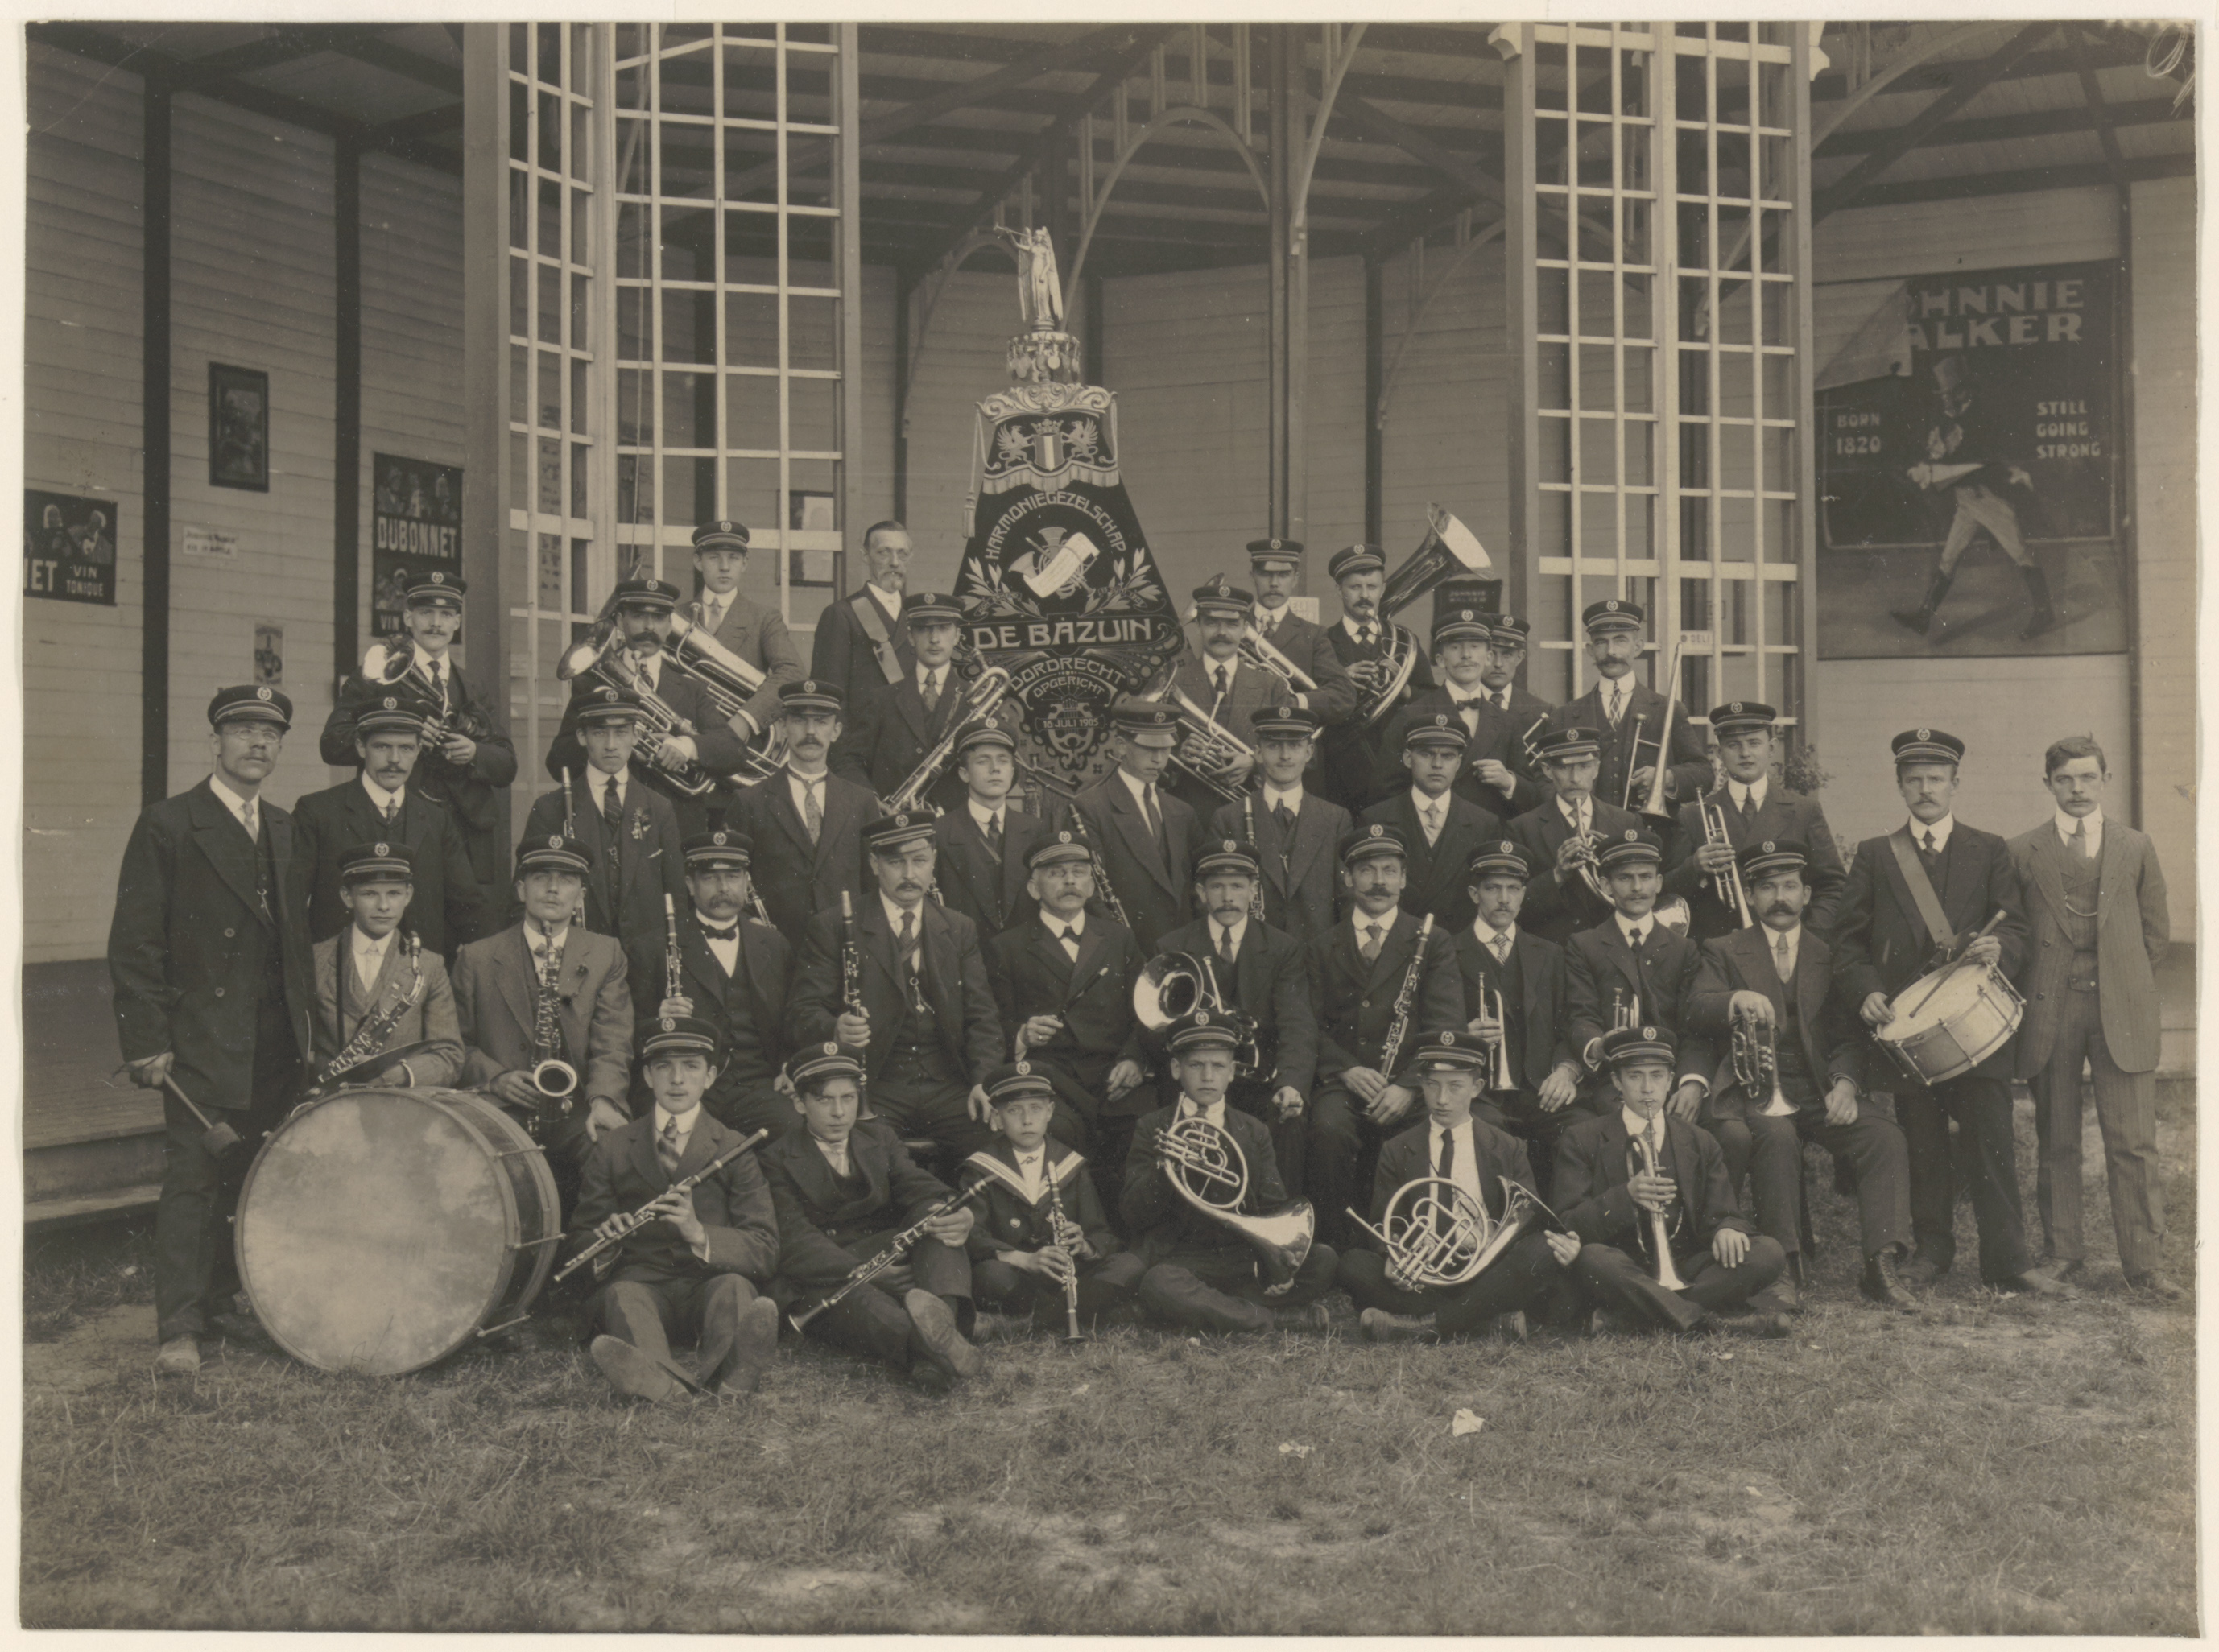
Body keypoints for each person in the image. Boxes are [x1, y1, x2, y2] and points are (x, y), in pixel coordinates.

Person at [110, 685, 317, 1374]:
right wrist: (146, 1040)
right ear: (215, 742)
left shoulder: (283, 826)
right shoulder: (170, 824)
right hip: (201, 1036)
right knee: (194, 1179)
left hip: (275, 1039)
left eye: (270, 734)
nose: (258, 743)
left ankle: (228, 1303)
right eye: (243, 730)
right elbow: (135, 943)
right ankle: (180, 1327)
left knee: (252, 1174)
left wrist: (307, 1034)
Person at [1832, 728, 2064, 1296]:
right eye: (1914, 780)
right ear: (1899, 786)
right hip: (1908, 1031)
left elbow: (2016, 926)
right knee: (1924, 1145)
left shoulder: (1989, 848)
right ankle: (1931, 1252)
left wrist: (1999, 946)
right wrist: (1865, 991)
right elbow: (1847, 942)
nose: (1925, 789)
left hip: (1974, 1025)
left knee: (1993, 1141)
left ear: (1955, 783)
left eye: (1936, 779)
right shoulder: (1876, 854)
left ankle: (2007, 1260)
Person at [1687, 840, 1915, 1312]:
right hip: (1755, 1087)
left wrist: (1846, 1084)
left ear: (1807, 895)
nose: (1780, 898)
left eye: (1790, 886)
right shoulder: (1723, 949)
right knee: (1775, 1137)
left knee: (1883, 1136)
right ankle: (1783, 1269)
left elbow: (1850, 1035)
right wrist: (1734, 1000)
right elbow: (1696, 1006)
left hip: (1819, 1085)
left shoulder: (1830, 953)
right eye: (1767, 888)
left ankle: (1881, 1265)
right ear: (1750, 896)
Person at [2007, 736, 2176, 1297]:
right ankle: (2063, 1252)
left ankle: (2145, 1264)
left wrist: (2124, 984)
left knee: (2132, 1140)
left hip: (2119, 1010)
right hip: (2051, 1010)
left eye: (2087, 777)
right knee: (2057, 1137)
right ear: (2048, 784)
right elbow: (2016, 935)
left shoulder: (2136, 846)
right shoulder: (2022, 851)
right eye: (2065, 780)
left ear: (2105, 780)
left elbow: (2155, 934)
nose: (2077, 789)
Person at [569, 1014, 782, 1404]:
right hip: (643, 1284)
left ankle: (734, 1374)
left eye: (691, 1066)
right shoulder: (613, 1146)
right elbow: (581, 1237)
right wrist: (605, 1244)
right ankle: (662, 1384)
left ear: (710, 1076)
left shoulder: (734, 1146)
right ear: (647, 1077)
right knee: (622, 1296)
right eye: (664, 1067)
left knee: (736, 1289)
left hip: (708, 1283)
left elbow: (764, 1248)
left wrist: (698, 1233)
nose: (678, 1079)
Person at [760, 1043, 983, 1394]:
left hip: (884, 1252)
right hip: (829, 1271)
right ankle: (935, 1350)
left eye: (848, 1098)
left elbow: (919, 1185)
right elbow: (795, 1239)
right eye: (824, 1100)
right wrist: (865, 1272)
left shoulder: (879, 1137)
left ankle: (943, 1328)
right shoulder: (775, 1158)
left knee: (934, 1214)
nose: (839, 1112)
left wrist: (958, 1209)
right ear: (800, 1104)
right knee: (864, 1303)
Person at [1337, 1030, 1581, 1343]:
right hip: (1426, 1273)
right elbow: (1385, 1222)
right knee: (1353, 1264)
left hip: (1489, 1269)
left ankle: (1428, 1324)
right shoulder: (1397, 1148)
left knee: (1542, 1249)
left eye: (1455, 1087)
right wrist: (1392, 1254)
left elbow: (1531, 1221)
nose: (1442, 1099)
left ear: (1476, 1088)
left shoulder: (1507, 1146)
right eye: (1432, 1085)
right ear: (1421, 1083)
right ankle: (1482, 1319)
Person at [791, 812, 1005, 1159]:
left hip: (948, 1084)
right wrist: (836, 1029)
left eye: (919, 861)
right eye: (896, 862)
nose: (909, 874)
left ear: (933, 861)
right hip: (876, 1083)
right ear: (875, 864)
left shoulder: (959, 927)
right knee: (869, 1157)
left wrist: (984, 1081)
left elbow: (982, 1016)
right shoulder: (832, 926)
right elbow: (802, 1012)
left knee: (996, 1150)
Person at [1554, 1025, 1789, 1336]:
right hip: (1623, 1264)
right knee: (1592, 1258)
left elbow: (1724, 1212)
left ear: (1670, 1080)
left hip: (1686, 1263)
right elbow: (1568, 1223)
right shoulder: (1582, 1138)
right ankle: (1711, 1322)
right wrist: (1626, 1197)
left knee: (1768, 1252)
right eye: (1635, 1076)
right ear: (1617, 1082)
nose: (1647, 1088)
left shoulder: (1700, 1140)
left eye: (1657, 1076)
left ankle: (1633, 1318)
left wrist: (1727, 1228)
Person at [1123, 1014, 1341, 1333]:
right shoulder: (1152, 1126)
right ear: (1176, 1069)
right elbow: (1133, 1213)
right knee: (1159, 1282)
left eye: (1218, 1066)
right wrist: (1166, 1168)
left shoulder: (1254, 1130)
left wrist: (1278, 1264)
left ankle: (1212, 1309)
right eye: (1196, 1065)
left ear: (1232, 1072)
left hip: (1242, 1253)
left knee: (1323, 1260)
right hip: (1185, 1256)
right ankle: (1269, 1318)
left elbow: (1272, 1205)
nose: (1208, 1076)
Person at [1305, 824, 1465, 1249]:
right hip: (1345, 1081)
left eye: (1390, 871)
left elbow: (1445, 1024)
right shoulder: (1321, 946)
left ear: (1404, 879)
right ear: (1347, 878)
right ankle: (1334, 1250)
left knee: (1424, 1134)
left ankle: (1411, 1246)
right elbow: (1308, 1026)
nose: (1379, 881)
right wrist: (1346, 1070)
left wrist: (1409, 1086)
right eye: (1367, 870)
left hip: (1410, 1080)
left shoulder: (1434, 941)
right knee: (1328, 1130)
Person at [451, 833, 634, 1203]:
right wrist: (496, 1078)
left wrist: (604, 1100)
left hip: (578, 1109)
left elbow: (613, 1041)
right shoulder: (477, 957)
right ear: (521, 890)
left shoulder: (606, 953)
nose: (553, 889)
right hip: (502, 1110)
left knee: (615, 1159)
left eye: (566, 880)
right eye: (540, 878)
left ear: (580, 896)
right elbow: (456, 1046)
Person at [321, 571, 517, 888]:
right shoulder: (375, 676)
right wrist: (401, 733)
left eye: (446, 614)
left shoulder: (472, 684)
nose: (436, 624)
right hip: (399, 826)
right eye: (426, 612)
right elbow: (332, 743)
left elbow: (506, 763)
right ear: (408, 618)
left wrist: (474, 752)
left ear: (457, 622)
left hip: (466, 834)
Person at [1149, 840, 1317, 1195]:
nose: (1228, 897)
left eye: (1238, 886)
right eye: (1217, 887)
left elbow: (1297, 1024)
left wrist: (1290, 1083)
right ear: (1201, 892)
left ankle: (1277, 1211)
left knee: (1290, 1120)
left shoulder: (1283, 947)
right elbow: (1160, 1027)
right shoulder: (1172, 946)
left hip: (1261, 1081)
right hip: (1198, 1078)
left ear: (1254, 891)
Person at [548, 576, 755, 839]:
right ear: (620, 621)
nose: (649, 627)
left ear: (669, 626)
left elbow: (734, 752)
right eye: (638, 616)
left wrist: (687, 747)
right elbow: (558, 762)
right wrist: (614, 740)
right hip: (610, 826)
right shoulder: (591, 685)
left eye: (658, 618)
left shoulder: (691, 688)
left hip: (677, 830)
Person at [291, 696, 487, 960]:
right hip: (339, 972)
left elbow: (469, 907)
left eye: (406, 748)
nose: (394, 759)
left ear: (418, 751)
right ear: (361, 747)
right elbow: (290, 905)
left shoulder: (437, 819)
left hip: (418, 974)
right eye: (382, 747)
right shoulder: (317, 812)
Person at [957, 1061, 1144, 1333]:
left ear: (1050, 1112)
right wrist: (1024, 1260)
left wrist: (1084, 1245)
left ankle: (1023, 1324)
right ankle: (1089, 1309)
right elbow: (972, 1236)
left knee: (1129, 1265)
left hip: (1066, 1274)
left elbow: (1101, 1233)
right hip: (1019, 1275)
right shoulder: (981, 1167)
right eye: (1014, 1110)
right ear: (997, 1116)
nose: (1027, 1120)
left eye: (1036, 1108)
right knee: (991, 1275)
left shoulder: (1071, 1164)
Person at [984, 833, 1141, 1155]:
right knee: (1056, 1135)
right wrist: (1023, 1035)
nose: (1070, 881)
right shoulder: (1007, 947)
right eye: (1056, 873)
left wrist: (1134, 1058)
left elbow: (1144, 1013)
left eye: (1079, 872)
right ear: (1033, 888)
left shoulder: (1120, 938)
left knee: (1146, 1132)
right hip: (1052, 1082)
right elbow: (991, 1024)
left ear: (1091, 885)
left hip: (1114, 1075)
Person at [1890, 353, 2056, 643]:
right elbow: (1940, 453)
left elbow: (1975, 461)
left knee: (2020, 552)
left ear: (1963, 390)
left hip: (1987, 499)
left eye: (1949, 394)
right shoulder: (1950, 417)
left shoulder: (1981, 417)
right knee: (1948, 558)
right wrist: (1928, 462)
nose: (1945, 400)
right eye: (1943, 395)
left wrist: (1934, 468)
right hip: (1967, 502)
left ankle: (2045, 612)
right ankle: (1924, 618)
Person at [647, 829, 795, 1140]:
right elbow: (631, 1032)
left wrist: (789, 1067)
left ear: (746, 882)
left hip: (759, 1087)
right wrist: (660, 1020)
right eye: (710, 878)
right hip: (689, 1088)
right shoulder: (652, 947)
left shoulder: (774, 943)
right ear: (690, 885)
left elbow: (793, 1019)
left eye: (733, 876)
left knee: (793, 1133)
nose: (724, 888)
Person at [1452, 840, 1582, 1192]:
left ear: (1524, 894)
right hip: (1478, 1092)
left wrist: (1566, 1070)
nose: (1504, 899)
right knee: (1487, 1135)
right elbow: (1435, 1023)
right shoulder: (1449, 951)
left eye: (1513, 889)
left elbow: (1571, 1022)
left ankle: (1568, 1219)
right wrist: (1463, 1035)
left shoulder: (1550, 954)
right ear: (1474, 894)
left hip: (1538, 1088)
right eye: (1493, 888)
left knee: (1583, 1129)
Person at [519, 685, 688, 956]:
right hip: (577, 958)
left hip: (647, 964)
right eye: (599, 733)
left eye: (621, 732)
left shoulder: (660, 808)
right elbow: (525, 896)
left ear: (635, 736)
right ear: (582, 736)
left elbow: (677, 899)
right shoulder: (550, 809)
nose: (611, 745)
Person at [1662, 700, 1846, 942]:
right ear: (1719, 753)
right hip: (1717, 951)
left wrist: (1808, 939)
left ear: (1771, 748)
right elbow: (1664, 891)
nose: (1745, 753)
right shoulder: (1693, 815)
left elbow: (1833, 886)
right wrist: (1693, 867)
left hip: (1788, 946)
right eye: (1733, 745)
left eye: (1754, 743)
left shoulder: (1804, 810)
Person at [1562, 828, 1713, 1115]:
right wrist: (1598, 1046)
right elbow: (1581, 1015)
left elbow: (1694, 1027)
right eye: (1624, 878)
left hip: (1670, 1078)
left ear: (1659, 883)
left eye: (1645, 877)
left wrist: (1692, 1081)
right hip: (1613, 1078)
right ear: (1605, 885)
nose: (1636, 887)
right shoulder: (1584, 945)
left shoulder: (1684, 948)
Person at [732, 679, 882, 940]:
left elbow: (874, 884)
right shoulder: (749, 801)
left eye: (821, 722)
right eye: (799, 721)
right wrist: (752, 926)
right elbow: (735, 880)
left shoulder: (862, 801)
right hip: (776, 946)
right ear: (783, 727)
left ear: (836, 731)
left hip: (844, 943)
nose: (810, 731)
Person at [307, 841, 463, 1090]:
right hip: (330, 1103)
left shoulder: (429, 965)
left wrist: (400, 1074)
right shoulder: (314, 959)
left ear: (408, 895)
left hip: (397, 1105)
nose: (384, 906)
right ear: (347, 897)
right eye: (369, 894)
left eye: (394, 893)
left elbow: (449, 1055)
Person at [1544, 598, 1709, 825]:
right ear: (1590, 650)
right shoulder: (1564, 716)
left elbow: (1704, 774)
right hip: (1586, 833)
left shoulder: (1668, 709)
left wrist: (1667, 777)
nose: (1611, 651)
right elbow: (1543, 780)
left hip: (1651, 833)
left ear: (1638, 647)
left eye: (1620, 641)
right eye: (1601, 642)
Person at [1379, 606, 1547, 818]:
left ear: (1487, 657)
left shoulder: (1507, 722)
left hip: (1488, 835)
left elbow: (1534, 797)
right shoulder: (1411, 715)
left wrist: (1508, 782)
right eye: (1455, 647)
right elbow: (1386, 792)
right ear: (1440, 660)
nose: (1466, 655)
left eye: (1475, 647)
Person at [1065, 696, 1198, 956]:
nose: (1159, 759)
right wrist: (1125, 948)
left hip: (1182, 950)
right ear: (1121, 746)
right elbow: (1091, 894)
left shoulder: (1182, 811)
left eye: (1166, 749)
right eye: (1149, 748)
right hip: (1126, 950)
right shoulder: (1089, 808)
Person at [1209, 704, 1349, 946]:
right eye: (1274, 746)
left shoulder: (1335, 819)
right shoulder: (1228, 818)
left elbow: (1347, 898)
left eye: (1294, 746)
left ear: (1309, 752)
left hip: (1317, 955)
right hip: (1253, 953)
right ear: (1258, 753)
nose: (1285, 756)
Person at [1358, 716, 1503, 931]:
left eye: (1447, 756)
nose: (1437, 764)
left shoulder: (1484, 824)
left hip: (1457, 943)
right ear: (1408, 758)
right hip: (1397, 940)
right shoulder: (1375, 818)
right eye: (1426, 754)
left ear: (1459, 763)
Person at [1316, 542, 1432, 808]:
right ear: (1339, 590)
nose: (1364, 595)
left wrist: (1404, 689)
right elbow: (1309, 697)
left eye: (1372, 587)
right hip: (1338, 772)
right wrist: (1340, 681)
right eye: (1355, 587)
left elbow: (1431, 698)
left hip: (1394, 771)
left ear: (1383, 589)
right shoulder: (1321, 641)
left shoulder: (1404, 641)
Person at [833, 590, 973, 806]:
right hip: (895, 821)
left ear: (956, 636)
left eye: (944, 628)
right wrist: (871, 801)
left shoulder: (975, 699)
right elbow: (849, 762)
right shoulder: (881, 700)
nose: (934, 639)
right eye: (923, 629)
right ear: (910, 637)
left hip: (956, 823)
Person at [1508, 725, 1641, 944]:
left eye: (1584, 766)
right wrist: (1557, 875)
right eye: (1564, 768)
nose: (1575, 778)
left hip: (1612, 946)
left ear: (1596, 769)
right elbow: (1512, 905)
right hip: (1553, 948)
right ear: (1547, 770)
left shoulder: (1626, 822)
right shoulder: (1522, 828)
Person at [684, 518, 804, 741]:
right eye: (714, 557)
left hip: (739, 742)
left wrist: (746, 720)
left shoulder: (764, 618)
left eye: (734, 557)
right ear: (698, 561)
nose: (724, 567)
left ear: (745, 563)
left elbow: (792, 673)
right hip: (682, 739)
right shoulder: (677, 616)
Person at [930, 725, 1050, 939]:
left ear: (1012, 771)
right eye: (983, 761)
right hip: (964, 952)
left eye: (1003, 760)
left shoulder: (1036, 830)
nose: (995, 769)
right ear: (964, 773)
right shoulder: (940, 832)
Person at [1161, 577, 1267, 813]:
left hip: (1252, 811)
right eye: (1212, 623)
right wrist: (1177, 754)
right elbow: (1149, 753)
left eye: (1232, 624)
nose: (1222, 633)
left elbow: (1300, 756)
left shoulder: (1271, 685)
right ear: (1199, 625)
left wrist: (1255, 763)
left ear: (1244, 628)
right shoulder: (1172, 683)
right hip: (1189, 812)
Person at [1242, 536, 1357, 727]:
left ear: (1295, 579)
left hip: (1293, 738)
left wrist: (1295, 703)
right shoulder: (1232, 628)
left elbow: (1343, 695)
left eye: (1284, 575)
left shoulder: (1314, 635)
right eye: (1265, 574)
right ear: (1252, 576)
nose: (1274, 583)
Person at [810, 519, 915, 704]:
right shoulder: (841, 614)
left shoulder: (916, 614)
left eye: (902, 554)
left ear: (911, 557)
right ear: (865, 556)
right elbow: (828, 697)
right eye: (884, 553)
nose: (895, 562)